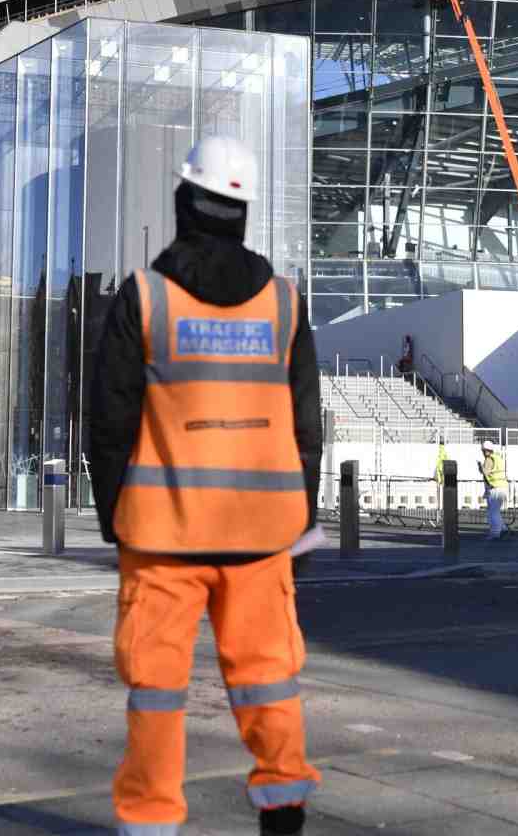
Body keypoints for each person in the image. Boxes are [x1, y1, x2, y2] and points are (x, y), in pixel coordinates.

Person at [88, 135, 323, 836]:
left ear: (183, 202)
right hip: (260, 535)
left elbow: (110, 421)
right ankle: (283, 811)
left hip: (162, 536)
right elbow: (307, 426)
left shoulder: (147, 298)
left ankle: (152, 822)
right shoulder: (283, 304)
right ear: (244, 210)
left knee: (157, 691)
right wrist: (298, 517)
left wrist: (114, 518)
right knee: (269, 681)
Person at [480, 440, 509, 539]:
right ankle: (503, 528)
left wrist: (481, 469)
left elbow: (486, 472)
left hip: (495, 488)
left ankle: (495, 533)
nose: (483, 453)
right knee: (495, 511)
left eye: (483, 450)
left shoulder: (489, 459)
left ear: (487, 450)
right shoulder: (498, 458)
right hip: (502, 487)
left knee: (493, 512)